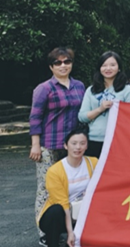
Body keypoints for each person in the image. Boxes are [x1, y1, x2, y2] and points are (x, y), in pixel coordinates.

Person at [30, 47, 86, 244]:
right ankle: (43, 232)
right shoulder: (44, 88)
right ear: (51, 67)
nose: (63, 66)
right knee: (45, 188)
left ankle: (66, 228)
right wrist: (35, 144)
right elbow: (35, 117)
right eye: (58, 62)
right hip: (49, 145)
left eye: (67, 61)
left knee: (71, 186)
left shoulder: (79, 86)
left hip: (72, 145)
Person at [38, 129, 98, 247]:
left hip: (84, 212)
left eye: (82, 143)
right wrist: (70, 233)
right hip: (61, 216)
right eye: (74, 143)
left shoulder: (94, 163)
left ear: (87, 146)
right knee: (56, 210)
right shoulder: (55, 171)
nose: (78, 147)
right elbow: (63, 203)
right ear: (66, 145)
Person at [78, 51, 130, 158]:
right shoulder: (91, 90)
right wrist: (100, 109)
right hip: (93, 139)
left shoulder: (127, 90)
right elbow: (82, 117)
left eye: (112, 65)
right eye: (104, 65)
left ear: (119, 68)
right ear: (99, 68)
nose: (108, 68)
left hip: (117, 140)